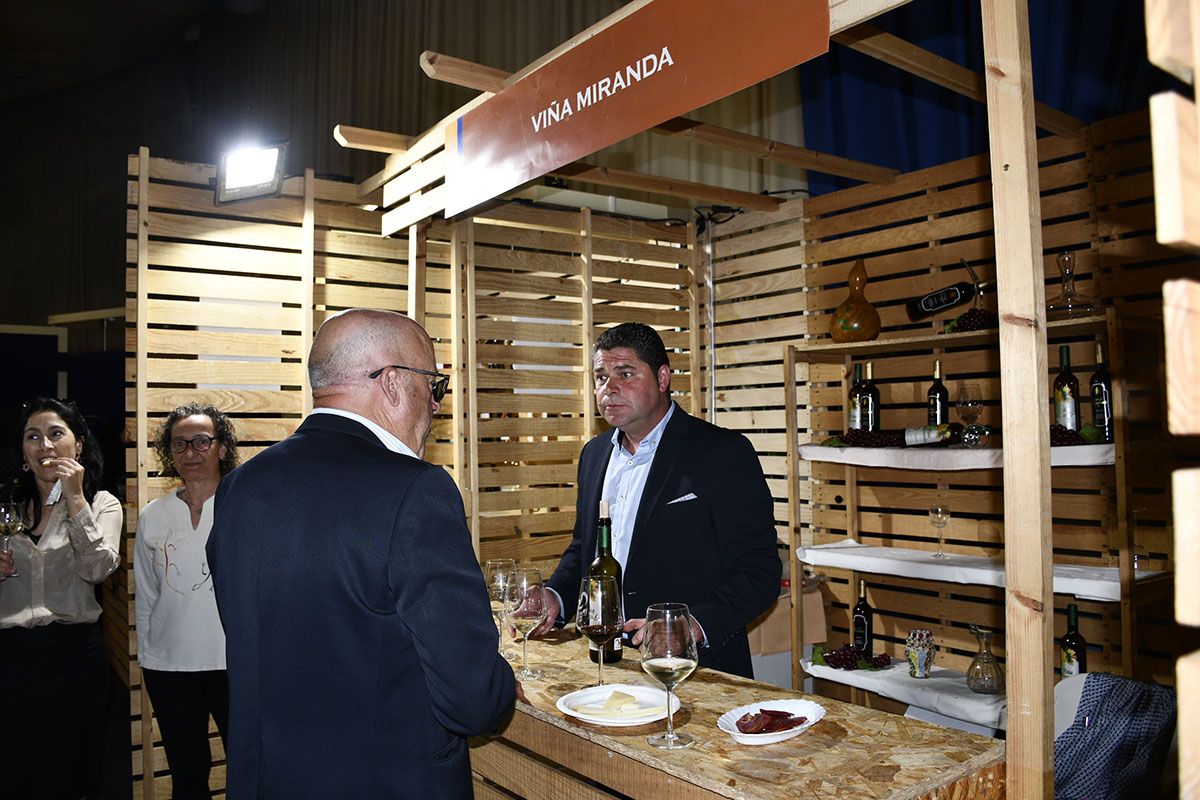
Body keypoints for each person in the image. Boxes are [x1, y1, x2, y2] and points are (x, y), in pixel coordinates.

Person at [207, 308, 517, 799]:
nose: (436, 405)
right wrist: (503, 677)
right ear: (392, 382)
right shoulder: (416, 491)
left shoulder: (240, 487)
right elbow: (473, 700)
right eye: (433, 385)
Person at [533, 323, 780, 679]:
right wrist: (555, 596)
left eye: (625, 374)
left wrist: (691, 625)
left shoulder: (723, 453)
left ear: (662, 378)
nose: (609, 388)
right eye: (600, 377)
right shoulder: (594, 455)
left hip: (697, 671)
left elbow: (759, 571)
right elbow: (586, 551)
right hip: (608, 665)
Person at [0, 398, 122, 799]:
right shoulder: (6, 506)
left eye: (56, 434)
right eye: (33, 437)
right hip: (10, 658)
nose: (45, 446)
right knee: (16, 772)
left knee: (72, 770)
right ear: (23, 452)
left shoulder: (103, 504)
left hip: (74, 658)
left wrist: (75, 498)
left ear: (79, 444)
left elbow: (97, 569)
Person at [135, 404, 240, 800]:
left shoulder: (243, 508)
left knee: (246, 768)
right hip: (169, 668)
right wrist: (148, 657)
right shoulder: (154, 515)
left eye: (201, 441)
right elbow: (146, 593)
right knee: (187, 773)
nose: (190, 452)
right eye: (179, 444)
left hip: (233, 664)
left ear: (222, 448)